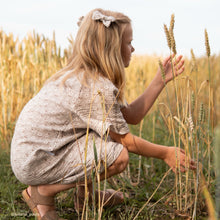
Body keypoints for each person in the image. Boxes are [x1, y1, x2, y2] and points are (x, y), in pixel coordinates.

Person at [10, 8, 196, 219]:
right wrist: (165, 153)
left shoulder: (84, 77)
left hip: (35, 153)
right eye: (128, 43)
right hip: (37, 160)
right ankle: (42, 193)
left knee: (99, 134)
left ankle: (86, 197)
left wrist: (160, 80)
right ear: (111, 49)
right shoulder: (95, 86)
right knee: (118, 156)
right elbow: (125, 141)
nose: (133, 48)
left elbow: (131, 116)